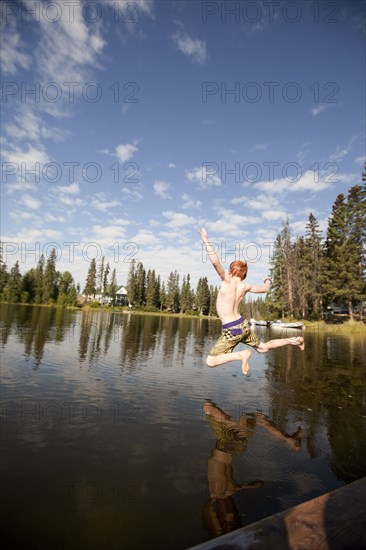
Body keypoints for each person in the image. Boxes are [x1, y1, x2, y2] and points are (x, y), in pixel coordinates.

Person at [200, 228, 304, 375]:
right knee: (262, 347)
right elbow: (265, 289)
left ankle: (241, 355)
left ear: (231, 270)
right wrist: (268, 280)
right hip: (244, 325)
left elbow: (215, 262)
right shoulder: (245, 286)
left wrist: (206, 239)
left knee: (210, 361)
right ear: (244, 274)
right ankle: (295, 340)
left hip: (232, 329)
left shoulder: (226, 280)